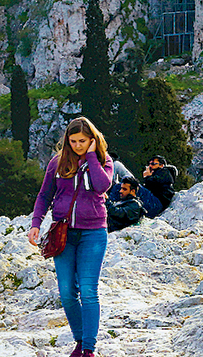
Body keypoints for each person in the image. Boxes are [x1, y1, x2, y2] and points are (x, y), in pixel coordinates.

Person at [27, 117, 113, 357]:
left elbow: (102, 186)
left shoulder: (104, 161)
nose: (77, 145)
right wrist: (36, 223)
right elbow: (44, 195)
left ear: (93, 140)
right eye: (73, 141)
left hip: (93, 233)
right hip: (63, 233)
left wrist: (93, 157)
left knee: (88, 290)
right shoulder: (57, 163)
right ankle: (79, 340)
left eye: (83, 141)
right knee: (66, 292)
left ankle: (88, 348)